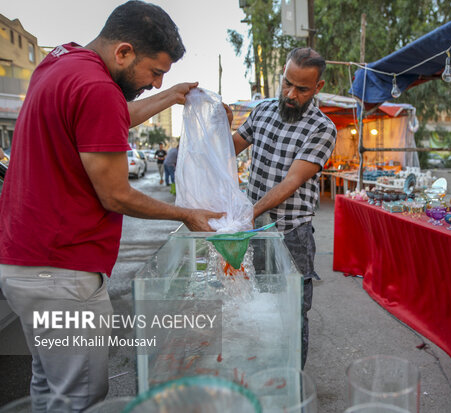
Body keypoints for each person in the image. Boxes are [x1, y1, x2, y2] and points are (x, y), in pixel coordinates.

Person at [0, 1, 225, 410]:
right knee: (80, 396)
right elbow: (115, 194)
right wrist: (186, 213)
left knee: (49, 385)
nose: (155, 84)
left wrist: (173, 96)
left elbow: (111, 115)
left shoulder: (62, 62)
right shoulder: (98, 88)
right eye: (155, 73)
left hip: (24, 263)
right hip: (62, 274)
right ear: (123, 52)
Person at [232, 47, 337, 369]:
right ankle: (265, 371)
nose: (290, 94)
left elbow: (292, 182)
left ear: (318, 88)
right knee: (258, 303)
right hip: (255, 229)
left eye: (301, 89)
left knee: (292, 310)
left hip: (292, 233)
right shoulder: (262, 110)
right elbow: (228, 147)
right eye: (286, 84)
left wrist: (249, 212)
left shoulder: (323, 128)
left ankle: (291, 383)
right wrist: (212, 126)